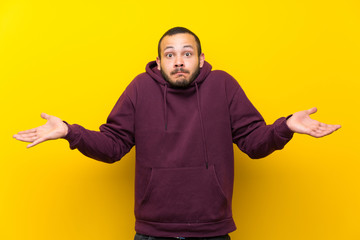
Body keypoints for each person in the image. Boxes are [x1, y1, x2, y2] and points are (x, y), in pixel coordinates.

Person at [13, 27, 341, 240]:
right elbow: (113, 145)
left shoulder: (223, 85)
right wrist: (70, 132)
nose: (179, 61)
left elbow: (254, 143)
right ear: (159, 61)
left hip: (212, 230)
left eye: (187, 53)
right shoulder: (140, 88)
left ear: (200, 58)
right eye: (170, 55)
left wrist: (285, 126)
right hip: (153, 232)